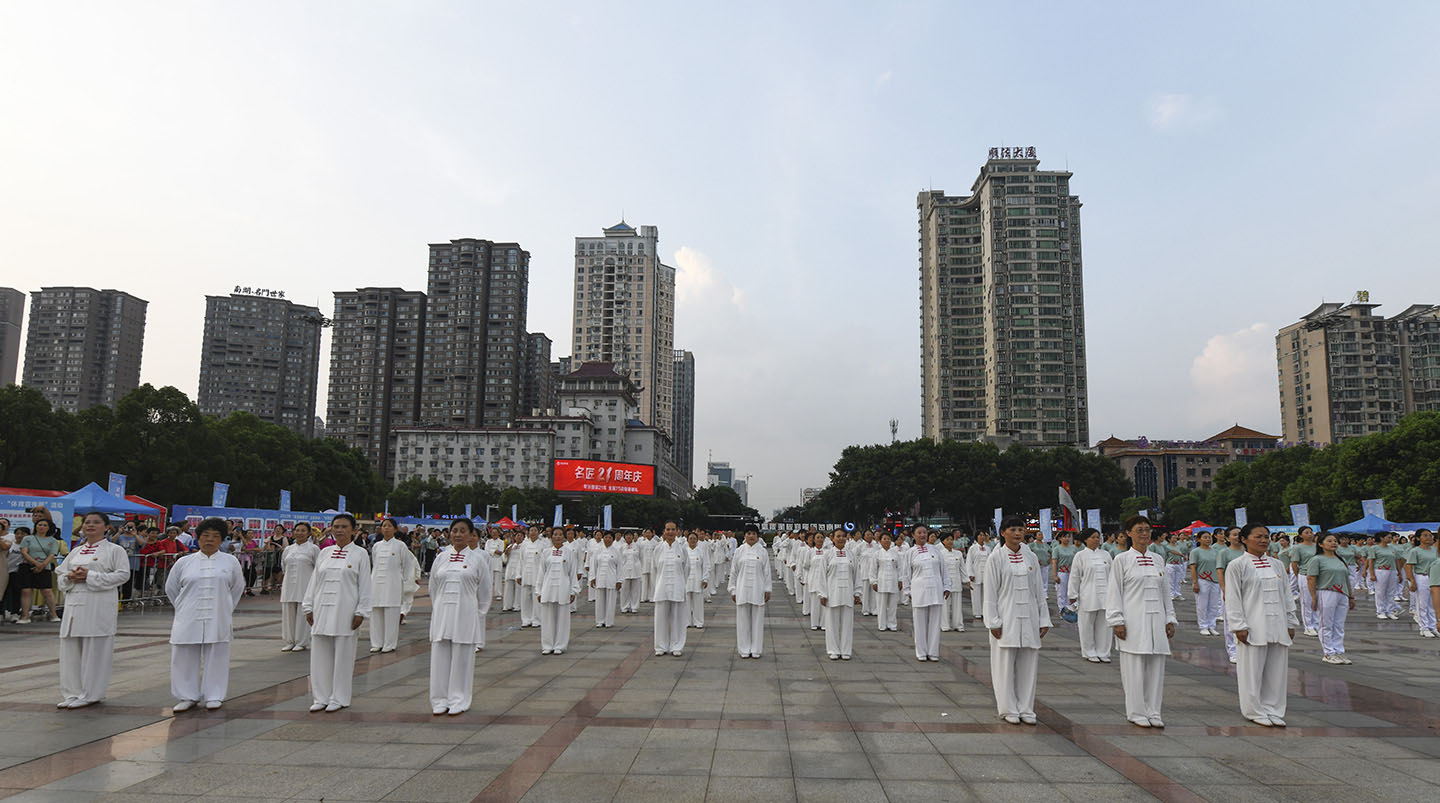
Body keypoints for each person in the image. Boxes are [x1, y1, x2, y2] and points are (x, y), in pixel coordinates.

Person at [166, 517, 246, 711]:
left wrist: (224, 608)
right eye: (205, 536)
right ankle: (186, 695)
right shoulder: (184, 562)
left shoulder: (230, 561)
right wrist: (184, 607)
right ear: (198, 538)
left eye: (215, 536)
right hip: (188, 614)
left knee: (217, 653)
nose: (209, 539)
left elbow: (236, 588)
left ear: (222, 539)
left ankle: (214, 694)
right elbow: (171, 588)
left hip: (218, 614)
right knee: (184, 654)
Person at [1224, 523, 1297, 727]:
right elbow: (1233, 597)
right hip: (1253, 624)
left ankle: (1273, 708)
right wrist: (1238, 625)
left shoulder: (1276, 564)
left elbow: (1286, 595)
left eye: (1266, 536)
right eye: (1258, 537)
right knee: (1251, 670)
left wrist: (1291, 621)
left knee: (1276, 669)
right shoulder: (1237, 565)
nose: (1264, 540)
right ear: (1244, 539)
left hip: (1278, 623)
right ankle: (1253, 710)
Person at [55, 512, 131, 709]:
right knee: (70, 649)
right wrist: (70, 577)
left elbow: (122, 575)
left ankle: (92, 693)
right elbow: (61, 574)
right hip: (74, 603)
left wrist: (90, 576)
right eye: (87, 522)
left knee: (95, 649)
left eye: (96, 522)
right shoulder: (76, 551)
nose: (90, 526)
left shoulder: (114, 550)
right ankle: (71, 693)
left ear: (107, 527)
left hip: (98, 603)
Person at [1107, 516, 1176, 728]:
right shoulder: (1122, 560)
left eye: (1147, 530)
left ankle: (1154, 711)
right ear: (1129, 533)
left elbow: (1165, 591)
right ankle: (1136, 711)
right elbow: (1114, 592)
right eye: (1139, 530)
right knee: (1134, 668)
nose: (1144, 534)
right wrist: (1117, 620)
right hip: (1133, 620)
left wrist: (1170, 617)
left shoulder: (1158, 559)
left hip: (1157, 619)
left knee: (1156, 667)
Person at [984, 516, 1050, 725]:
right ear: (1003, 532)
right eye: (1012, 529)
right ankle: (1008, 708)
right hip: (1007, 616)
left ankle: (1026, 708)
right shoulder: (996, 558)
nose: (1017, 533)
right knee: (1004, 664)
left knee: (1028, 664)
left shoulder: (1030, 557)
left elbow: (1039, 589)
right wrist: (993, 621)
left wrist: (1043, 618)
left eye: (1020, 529)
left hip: (1029, 616)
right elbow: (991, 593)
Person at [303, 514, 372, 713]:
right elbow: (314, 582)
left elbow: (365, 585)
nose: (339, 530)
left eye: (344, 526)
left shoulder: (360, 554)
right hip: (322, 609)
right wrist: (308, 607)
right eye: (336, 526)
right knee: (319, 655)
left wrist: (361, 611)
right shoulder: (324, 553)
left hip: (346, 611)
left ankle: (339, 697)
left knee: (343, 656)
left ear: (353, 530)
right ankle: (320, 696)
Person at [428, 518, 490, 715]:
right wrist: (439, 607)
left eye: (463, 531)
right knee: (440, 656)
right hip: (443, 612)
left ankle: (459, 699)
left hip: (465, 614)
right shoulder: (441, 558)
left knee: (462, 658)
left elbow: (485, 592)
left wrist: (476, 615)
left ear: (472, 534)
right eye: (454, 530)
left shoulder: (478, 559)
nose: (458, 534)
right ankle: (439, 699)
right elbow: (433, 588)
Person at [906, 525, 952, 662]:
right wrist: (907, 590)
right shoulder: (910, 552)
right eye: (919, 533)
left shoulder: (936, 550)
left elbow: (943, 569)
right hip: (919, 590)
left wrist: (947, 586)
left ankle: (933, 652)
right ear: (913, 535)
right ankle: (921, 651)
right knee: (919, 622)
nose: (922, 535)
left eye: (924, 532)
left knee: (935, 622)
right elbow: (906, 573)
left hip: (936, 589)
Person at [1308, 531, 1355, 663]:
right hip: (1326, 592)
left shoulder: (1340, 559)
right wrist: (1313, 597)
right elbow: (1311, 578)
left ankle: (1339, 651)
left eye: (1335, 541)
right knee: (1326, 624)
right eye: (1329, 541)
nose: (1333, 543)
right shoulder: (1317, 559)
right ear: (1320, 544)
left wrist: (1351, 596)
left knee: (1339, 625)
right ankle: (1328, 653)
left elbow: (1346, 578)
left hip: (1342, 594)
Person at [1068, 528, 1111, 662]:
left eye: (1098, 537)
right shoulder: (1080, 556)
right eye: (1093, 537)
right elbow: (1075, 576)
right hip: (1088, 594)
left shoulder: (1106, 555)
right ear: (1086, 539)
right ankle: (1089, 651)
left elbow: (1112, 575)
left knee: (1104, 625)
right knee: (1086, 625)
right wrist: (1072, 594)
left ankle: (1103, 651)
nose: (1096, 539)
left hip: (1106, 595)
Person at [819, 530, 863, 660]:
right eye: (838, 536)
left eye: (843, 536)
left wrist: (857, 592)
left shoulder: (852, 555)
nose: (841, 539)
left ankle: (846, 650)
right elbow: (821, 576)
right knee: (832, 623)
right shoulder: (827, 555)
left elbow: (857, 575)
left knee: (847, 623)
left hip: (848, 592)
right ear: (832, 538)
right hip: (832, 593)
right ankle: (833, 650)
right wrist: (822, 594)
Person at [729, 524, 772, 658]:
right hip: (742, 589)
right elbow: (734, 572)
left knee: (757, 621)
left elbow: (767, 572)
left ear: (758, 536)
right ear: (744, 535)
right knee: (742, 621)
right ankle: (744, 649)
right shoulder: (739, 551)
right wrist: (733, 589)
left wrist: (767, 589)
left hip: (758, 589)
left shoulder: (762, 551)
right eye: (748, 533)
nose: (751, 536)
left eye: (754, 533)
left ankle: (756, 649)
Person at [535, 528, 578, 655]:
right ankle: (547, 645)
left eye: (560, 535)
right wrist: (539, 590)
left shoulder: (569, 552)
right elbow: (541, 572)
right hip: (548, 588)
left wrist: (573, 591)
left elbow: (572, 573)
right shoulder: (546, 552)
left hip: (563, 588)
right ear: (551, 537)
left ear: (563, 537)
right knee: (547, 618)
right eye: (555, 534)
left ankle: (560, 645)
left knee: (562, 618)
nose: (558, 537)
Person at [368, 519, 408, 654]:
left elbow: (406, 566)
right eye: (384, 526)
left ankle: (389, 643)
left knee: (391, 614)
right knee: (376, 612)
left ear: (395, 529)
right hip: (376, 583)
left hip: (393, 583)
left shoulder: (400, 546)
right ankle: (376, 642)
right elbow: (374, 563)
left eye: (389, 526)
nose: (386, 529)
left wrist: (406, 583)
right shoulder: (376, 546)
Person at [279, 522, 319, 652]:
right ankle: (289, 640)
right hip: (289, 585)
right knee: (288, 613)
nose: (299, 533)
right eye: (297, 530)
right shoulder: (288, 549)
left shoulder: (313, 549)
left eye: (303, 531)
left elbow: (318, 569)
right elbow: (284, 567)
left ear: (308, 533)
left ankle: (301, 641)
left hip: (305, 585)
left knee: (303, 613)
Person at [651, 521, 689, 656]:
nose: (670, 532)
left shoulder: (682, 549)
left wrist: (680, 582)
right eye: (668, 529)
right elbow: (654, 569)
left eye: (673, 529)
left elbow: (686, 570)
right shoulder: (658, 549)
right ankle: (660, 646)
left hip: (678, 587)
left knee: (678, 618)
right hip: (661, 587)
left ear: (677, 531)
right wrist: (656, 586)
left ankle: (676, 646)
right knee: (660, 619)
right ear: (664, 531)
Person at [17, 518, 62, 623]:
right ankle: (25, 616)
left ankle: (53, 615)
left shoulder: (53, 541)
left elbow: (52, 555)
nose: (41, 527)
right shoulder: (28, 538)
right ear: (35, 526)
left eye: (44, 525)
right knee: (26, 591)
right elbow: (24, 552)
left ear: (49, 528)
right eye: (39, 524)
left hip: (45, 567)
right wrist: (36, 563)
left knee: (47, 591)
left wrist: (42, 565)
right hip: (27, 566)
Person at [1214, 527, 1244, 664]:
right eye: (1234, 535)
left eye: (1240, 534)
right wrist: (1224, 589)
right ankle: (1232, 650)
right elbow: (1220, 571)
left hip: (1247, 590)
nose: (1237, 537)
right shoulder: (1224, 553)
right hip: (1231, 589)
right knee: (1230, 620)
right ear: (1227, 538)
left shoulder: (1248, 551)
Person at [1403, 529, 1437, 638]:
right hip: (1421, 577)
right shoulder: (1415, 551)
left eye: (1430, 535)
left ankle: (1433, 626)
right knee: (1422, 604)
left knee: (1432, 604)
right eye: (1425, 535)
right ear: (1418, 538)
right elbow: (1409, 566)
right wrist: (1412, 581)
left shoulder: (1435, 550)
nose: (1429, 538)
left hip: (1434, 577)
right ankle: (1424, 627)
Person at [1287, 526, 1319, 636]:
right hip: (1305, 575)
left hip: (1317, 576)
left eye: (1311, 532)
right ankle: (1308, 626)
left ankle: (1316, 624)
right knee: (1307, 601)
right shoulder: (1298, 548)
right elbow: (1294, 563)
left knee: (1317, 600)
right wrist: (1298, 575)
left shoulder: (1318, 546)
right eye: (1307, 532)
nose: (1310, 534)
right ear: (1301, 535)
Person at [1189, 531, 1222, 635]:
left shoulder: (1215, 551)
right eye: (1205, 537)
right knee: (1202, 605)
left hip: (1215, 580)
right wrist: (1195, 583)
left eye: (1209, 537)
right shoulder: (1196, 552)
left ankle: (1212, 626)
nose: (1208, 539)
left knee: (1214, 605)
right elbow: (1193, 567)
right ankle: (1203, 626)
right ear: (1198, 539)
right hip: (1202, 580)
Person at [869, 533, 902, 632]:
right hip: (881, 581)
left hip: (893, 581)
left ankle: (892, 624)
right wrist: (874, 581)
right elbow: (873, 569)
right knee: (881, 605)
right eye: (884, 539)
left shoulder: (895, 553)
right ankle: (882, 625)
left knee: (893, 605)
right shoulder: (877, 554)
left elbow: (900, 568)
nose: (886, 540)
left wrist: (900, 580)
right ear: (880, 541)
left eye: (888, 539)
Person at [588, 531, 622, 628]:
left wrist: (619, 580)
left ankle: (609, 621)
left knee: (611, 601)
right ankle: (600, 620)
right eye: (606, 537)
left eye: (610, 537)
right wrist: (592, 578)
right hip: (600, 578)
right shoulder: (598, 550)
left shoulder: (616, 551)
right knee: (599, 601)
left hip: (612, 579)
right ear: (603, 538)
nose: (607, 539)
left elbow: (620, 567)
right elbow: (593, 565)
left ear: (613, 539)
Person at [1368, 532, 1403, 620]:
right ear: (1382, 538)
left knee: (1391, 591)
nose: (1390, 539)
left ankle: (1390, 611)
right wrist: (1372, 574)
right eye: (1388, 537)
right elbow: (1371, 561)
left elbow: (1397, 561)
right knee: (1380, 592)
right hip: (1380, 570)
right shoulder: (1374, 548)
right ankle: (1380, 611)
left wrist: (1399, 572)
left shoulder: (1393, 548)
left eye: (1391, 537)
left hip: (1392, 570)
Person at [517, 527, 544, 628]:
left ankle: (536, 619)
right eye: (531, 531)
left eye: (535, 531)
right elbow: (520, 560)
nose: (533, 532)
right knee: (525, 599)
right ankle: (526, 619)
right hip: (525, 574)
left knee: (536, 598)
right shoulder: (524, 544)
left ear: (538, 532)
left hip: (537, 574)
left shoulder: (542, 545)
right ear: (528, 533)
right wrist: (518, 574)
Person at [683, 532, 711, 628]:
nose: (692, 540)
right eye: (690, 538)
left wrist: (705, 578)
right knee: (686, 602)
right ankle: (686, 622)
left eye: (694, 538)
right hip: (686, 580)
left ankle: (698, 622)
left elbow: (706, 565)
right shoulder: (684, 551)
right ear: (687, 540)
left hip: (698, 580)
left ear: (697, 540)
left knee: (698, 602)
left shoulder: (701, 551)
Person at [940, 533, 967, 633]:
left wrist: (967, 580)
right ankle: (944, 625)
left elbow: (963, 569)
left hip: (956, 582)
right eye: (948, 539)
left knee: (957, 605)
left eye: (951, 539)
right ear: (943, 541)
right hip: (944, 583)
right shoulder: (940, 554)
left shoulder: (958, 554)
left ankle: (958, 625)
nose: (950, 541)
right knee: (945, 604)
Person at [966, 530, 993, 622]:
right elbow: (969, 562)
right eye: (980, 535)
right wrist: (970, 574)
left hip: (986, 573)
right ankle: (977, 612)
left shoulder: (988, 548)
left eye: (983, 535)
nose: (982, 537)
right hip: (976, 573)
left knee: (986, 594)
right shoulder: (972, 548)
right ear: (977, 537)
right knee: (976, 594)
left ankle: (984, 612)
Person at [1051, 532, 1078, 613]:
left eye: (1068, 537)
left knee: (1072, 592)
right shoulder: (1057, 549)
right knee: (1062, 593)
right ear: (1060, 539)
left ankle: (1071, 609)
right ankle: (1062, 611)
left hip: (1072, 573)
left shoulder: (1073, 548)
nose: (1067, 539)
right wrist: (1055, 575)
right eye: (1064, 537)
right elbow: (1055, 562)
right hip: (1062, 572)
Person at [618, 532, 643, 613]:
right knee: (624, 589)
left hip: (635, 570)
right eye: (627, 535)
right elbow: (620, 560)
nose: (628, 537)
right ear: (624, 537)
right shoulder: (622, 547)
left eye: (630, 535)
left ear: (633, 537)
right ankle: (624, 607)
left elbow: (641, 558)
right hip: (624, 570)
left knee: (635, 589)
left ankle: (634, 607)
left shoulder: (638, 546)